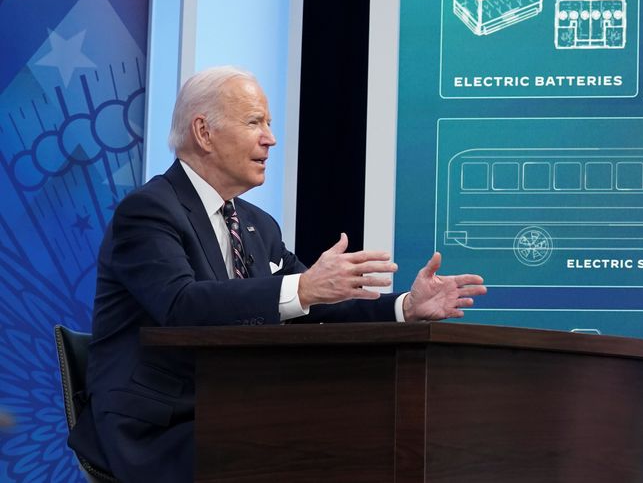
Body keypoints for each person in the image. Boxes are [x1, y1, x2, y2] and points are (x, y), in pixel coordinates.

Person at [67, 66, 486, 481]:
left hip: (235, 412)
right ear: (203, 132)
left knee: (351, 440)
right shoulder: (148, 212)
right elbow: (181, 305)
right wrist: (302, 288)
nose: (270, 138)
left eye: (268, 123)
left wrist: (405, 308)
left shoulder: (257, 224)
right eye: (254, 122)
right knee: (302, 454)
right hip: (158, 427)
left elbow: (314, 306)